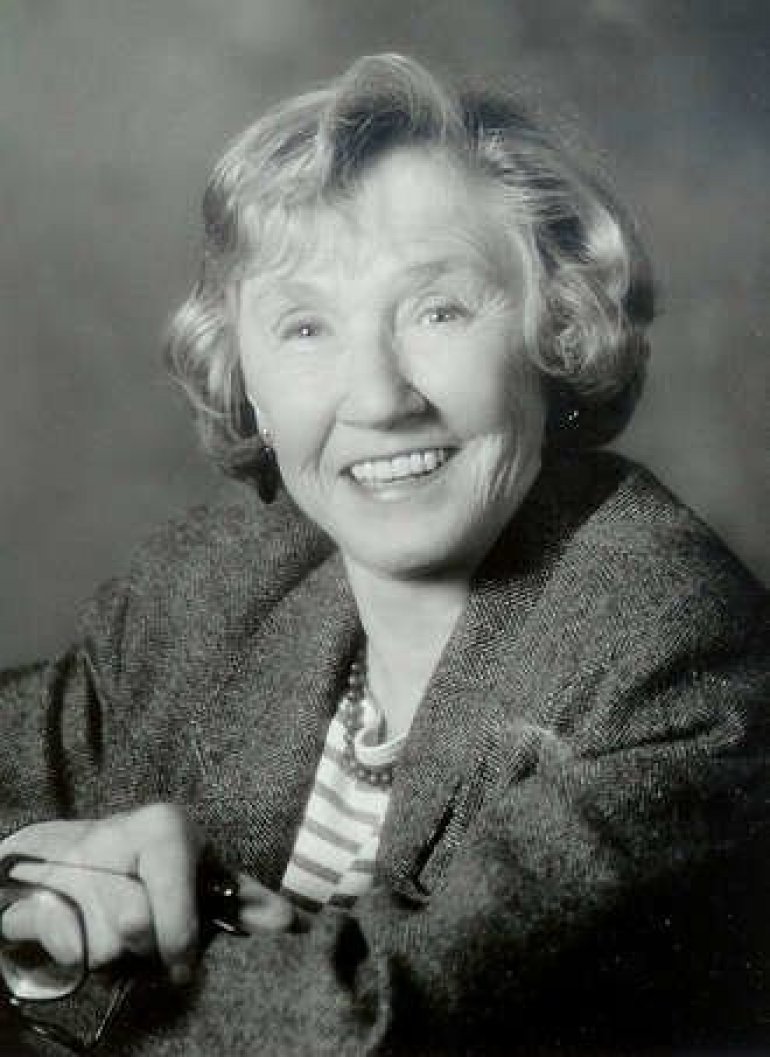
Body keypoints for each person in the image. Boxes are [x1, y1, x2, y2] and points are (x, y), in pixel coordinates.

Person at [0, 52, 768, 1056]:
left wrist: (48, 946)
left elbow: (388, 1027)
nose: (376, 396)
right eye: (305, 326)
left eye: (437, 309)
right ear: (248, 383)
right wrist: (46, 871)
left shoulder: (672, 650)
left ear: (555, 332)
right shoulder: (211, 581)